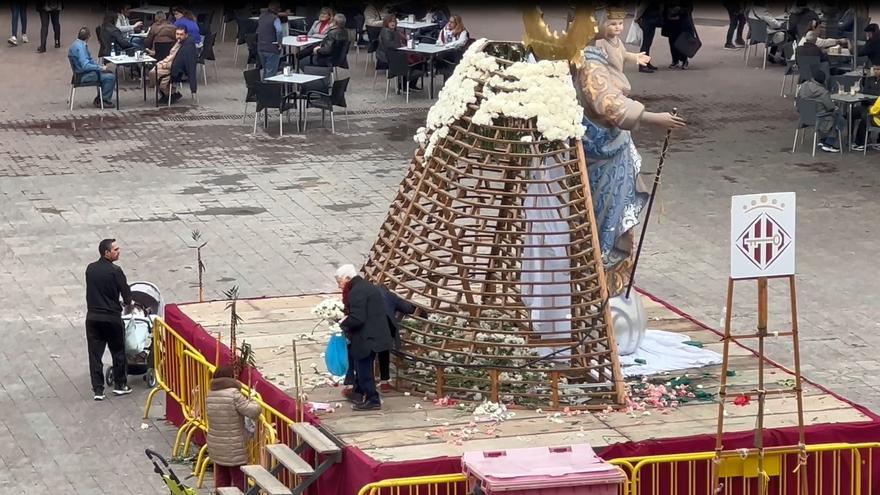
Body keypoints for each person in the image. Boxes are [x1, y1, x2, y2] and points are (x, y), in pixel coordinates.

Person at [576, 7, 686, 290]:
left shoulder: (602, 53)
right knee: (605, 215)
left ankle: (613, 277)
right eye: (610, 22)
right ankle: (599, 279)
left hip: (613, 141)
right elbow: (610, 104)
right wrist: (653, 118)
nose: (617, 28)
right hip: (600, 148)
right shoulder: (589, 60)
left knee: (615, 208)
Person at [336, 265, 393, 411]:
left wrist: (343, 323)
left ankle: (372, 399)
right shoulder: (366, 287)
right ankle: (360, 393)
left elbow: (358, 318)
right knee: (363, 366)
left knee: (364, 369)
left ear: (348, 278)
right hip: (377, 333)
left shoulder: (356, 292)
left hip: (368, 337)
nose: (339, 285)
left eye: (339, 281)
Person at [85, 239, 132, 400]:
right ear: (106, 253)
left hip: (92, 317)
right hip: (111, 317)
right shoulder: (116, 271)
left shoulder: (90, 269)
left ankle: (98, 389)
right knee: (118, 351)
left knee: (94, 354)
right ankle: (120, 384)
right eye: (115, 249)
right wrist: (127, 302)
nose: (118, 252)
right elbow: (126, 294)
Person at [205, 365, 261, 492]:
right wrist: (255, 401)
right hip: (233, 445)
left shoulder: (210, 395)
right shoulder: (234, 394)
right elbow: (252, 411)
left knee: (221, 477)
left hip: (215, 444)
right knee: (239, 479)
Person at [377, 286, 417, 392]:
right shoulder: (390, 295)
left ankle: (365, 384)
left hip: (370, 326)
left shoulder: (367, 293)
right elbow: (407, 308)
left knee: (367, 355)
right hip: (385, 326)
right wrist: (421, 311)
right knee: (384, 352)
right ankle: (384, 383)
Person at [799, 68, 844, 153]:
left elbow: (798, 99)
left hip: (804, 116)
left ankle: (822, 141)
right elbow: (830, 107)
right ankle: (828, 143)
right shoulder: (823, 91)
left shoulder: (804, 85)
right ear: (823, 81)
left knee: (830, 116)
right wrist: (836, 108)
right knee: (840, 119)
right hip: (820, 118)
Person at [68, 27, 116, 108]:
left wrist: (98, 67)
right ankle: (104, 100)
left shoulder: (75, 44)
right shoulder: (81, 48)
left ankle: (100, 98)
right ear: (88, 37)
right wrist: (100, 68)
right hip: (84, 75)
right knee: (110, 77)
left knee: (106, 74)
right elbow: (85, 65)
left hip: (79, 74)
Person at [149, 26, 189, 103]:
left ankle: (170, 93)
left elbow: (179, 62)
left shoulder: (184, 46)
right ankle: (167, 93)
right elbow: (170, 55)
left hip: (173, 68)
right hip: (167, 64)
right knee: (153, 72)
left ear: (186, 35)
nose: (179, 36)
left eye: (181, 34)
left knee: (155, 73)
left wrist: (166, 65)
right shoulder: (178, 42)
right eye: (177, 34)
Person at [852, 64, 880, 151]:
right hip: (867, 104)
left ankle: (861, 142)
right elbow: (865, 92)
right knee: (852, 112)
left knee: (865, 117)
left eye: (878, 69)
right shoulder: (869, 79)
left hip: (875, 109)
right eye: (874, 69)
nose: (875, 71)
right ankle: (850, 136)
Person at [661, 0, 694, 70]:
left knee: (682, 40)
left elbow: (689, 7)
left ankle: (684, 60)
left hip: (681, 20)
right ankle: (675, 60)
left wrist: (680, 9)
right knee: (672, 40)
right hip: (669, 20)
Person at [256, 1, 283, 79]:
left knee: (265, 70)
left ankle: (262, 88)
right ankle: (268, 89)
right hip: (272, 48)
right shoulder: (275, 18)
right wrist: (279, 43)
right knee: (271, 73)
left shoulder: (261, 16)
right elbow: (279, 31)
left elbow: (258, 30)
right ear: (277, 9)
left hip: (260, 47)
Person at [635, 1, 662, 72]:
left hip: (651, 19)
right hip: (648, 19)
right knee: (646, 44)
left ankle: (647, 63)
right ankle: (642, 65)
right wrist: (637, 18)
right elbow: (642, 6)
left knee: (648, 43)